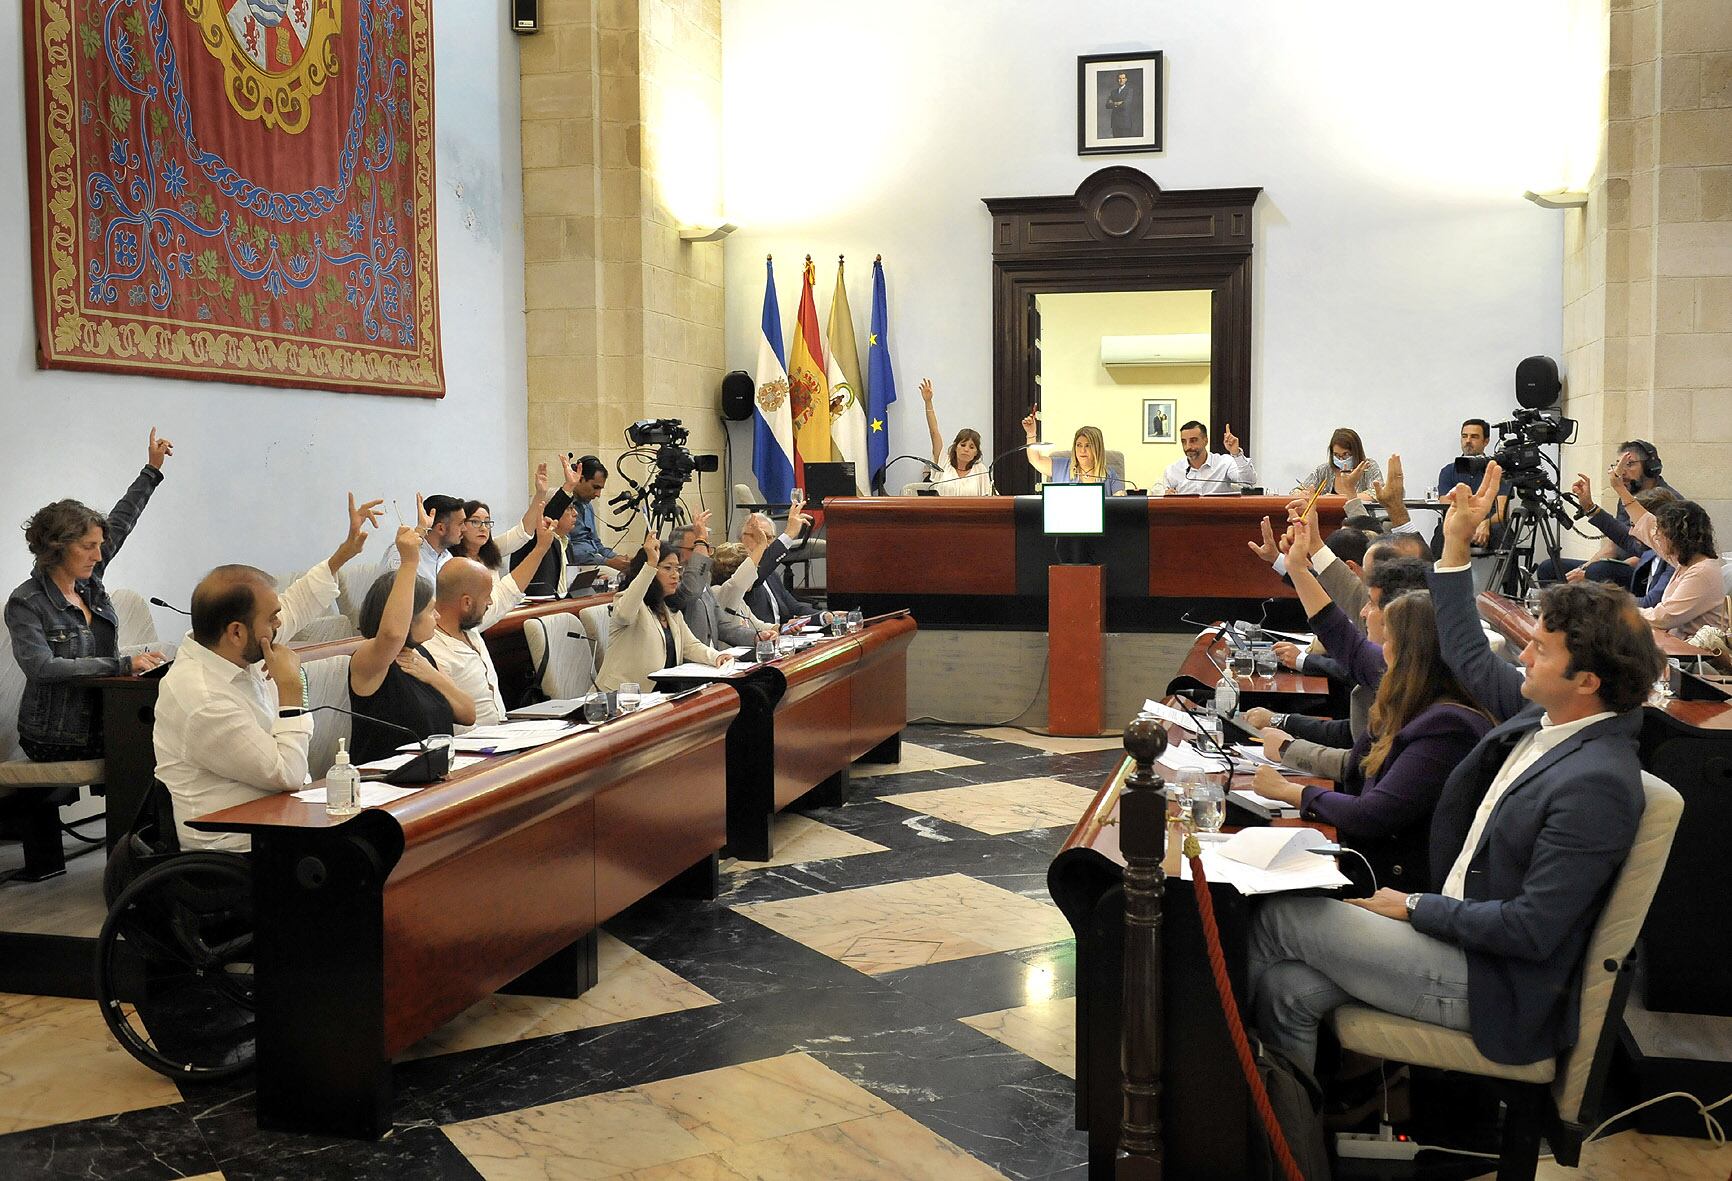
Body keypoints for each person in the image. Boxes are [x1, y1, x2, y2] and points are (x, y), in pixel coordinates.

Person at [1248, 462, 1664, 1074]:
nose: (1521, 654)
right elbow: (1465, 650)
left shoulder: (1597, 781)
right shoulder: (1543, 718)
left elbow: (1530, 931)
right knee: (1287, 988)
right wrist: (1454, 546)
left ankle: (1204, 1109)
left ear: (1588, 681)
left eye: (1540, 650)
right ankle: (1291, 1132)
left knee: (1277, 915)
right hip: (1457, 938)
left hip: (1493, 984)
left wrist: (1414, 907)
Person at [1249, 520, 1493, 891]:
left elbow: (1373, 814)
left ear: (1409, 642)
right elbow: (1339, 634)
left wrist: (1289, 790)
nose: (1363, 614)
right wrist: (1297, 568)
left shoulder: (1447, 722)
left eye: (1373, 608)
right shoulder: (1406, 685)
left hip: (1396, 886)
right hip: (1371, 864)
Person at [154, 494, 385, 851]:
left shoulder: (231, 647)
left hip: (277, 823)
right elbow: (288, 774)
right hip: (238, 850)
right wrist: (293, 694)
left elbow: (293, 605)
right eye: (271, 618)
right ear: (236, 632)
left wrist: (343, 555)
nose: (280, 624)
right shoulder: (201, 697)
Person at [7, 429, 174, 763]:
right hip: (53, 737)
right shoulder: (26, 602)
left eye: (99, 545)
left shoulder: (89, 580)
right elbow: (43, 667)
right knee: (161, 749)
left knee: (177, 739)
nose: (99, 555)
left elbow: (123, 520)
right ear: (58, 547)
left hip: (103, 724)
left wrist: (151, 470)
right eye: (88, 547)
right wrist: (124, 665)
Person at [1251, 557, 1433, 784]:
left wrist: (1289, 756)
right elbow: (1355, 734)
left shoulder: (1426, 697)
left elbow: (1367, 773)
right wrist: (1282, 721)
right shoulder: (1403, 669)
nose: (1363, 613)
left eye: (1371, 604)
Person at [347, 527, 476, 764]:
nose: (437, 616)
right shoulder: (370, 657)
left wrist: (433, 676)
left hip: (432, 775)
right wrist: (409, 563)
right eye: (429, 611)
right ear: (408, 616)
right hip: (386, 785)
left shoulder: (420, 655)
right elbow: (392, 635)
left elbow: (468, 713)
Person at [424, 519, 558, 729]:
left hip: (501, 738)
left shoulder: (470, 624)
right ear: (466, 602)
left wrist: (541, 548)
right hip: (470, 753)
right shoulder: (431, 650)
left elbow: (508, 590)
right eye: (486, 596)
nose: (490, 602)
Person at [1575, 473, 1725, 638]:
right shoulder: (1686, 560)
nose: (1656, 537)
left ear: (1677, 537)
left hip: (1691, 657)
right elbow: (1645, 524)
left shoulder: (1701, 571)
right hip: (1676, 645)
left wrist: (1612, 607)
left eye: (1661, 532)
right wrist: (1618, 488)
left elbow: (1663, 618)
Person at [596, 533, 731, 691]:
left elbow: (691, 646)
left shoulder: (669, 611)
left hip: (660, 696)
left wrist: (717, 657)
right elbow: (625, 614)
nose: (676, 575)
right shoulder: (628, 603)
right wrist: (651, 563)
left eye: (678, 569)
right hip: (623, 696)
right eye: (668, 568)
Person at [1540, 440, 1678, 586]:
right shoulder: (1629, 494)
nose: (1621, 471)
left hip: (1646, 571)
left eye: (1629, 464)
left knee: (1600, 571)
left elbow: (1653, 553)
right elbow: (1615, 543)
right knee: (1549, 568)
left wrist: (1593, 572)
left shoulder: (1666, 500)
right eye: (1618, 464)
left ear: (1651, 467)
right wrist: (1582, 569)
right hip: (1617, 565)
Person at [666, 512, 774, 649]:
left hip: (713, 661)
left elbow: (722, 625)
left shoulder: (705, 585)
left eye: (707, 548)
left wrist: (755, 637)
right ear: (676, 552)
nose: (704, 555)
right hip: (690, 664)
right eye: (697, 547)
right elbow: (692, 590)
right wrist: (701, 539)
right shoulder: (674, 585)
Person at [450, 462, 551, 575]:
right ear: (462, 525)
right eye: (475, 522)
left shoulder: (492, 549)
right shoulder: (451, 560)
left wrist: (541, 494)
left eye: (487, 522)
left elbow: (522, 532)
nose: (483, 528)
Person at [544, 454, 631, 573]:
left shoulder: (587, 506)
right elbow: (566, 550)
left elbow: (596, 544)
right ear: (580, 478)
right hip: (577, 566)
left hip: (596, 561)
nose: (598, 494)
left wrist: (618, 558)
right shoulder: (560, 505)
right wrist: (607, 562)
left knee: (630, 571)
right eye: (595, 487)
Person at [740, 512, 829, 627]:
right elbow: (755, 576)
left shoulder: (772, 575)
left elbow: (794, 607)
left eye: (769, 537)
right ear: (742, 538)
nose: (764, 543)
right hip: (757, 640)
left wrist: (825, 617)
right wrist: (789, 534)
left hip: (783, 639)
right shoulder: (737, 570)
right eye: (758, 536)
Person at [1432, 419, 1505, 552]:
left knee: (1503, 534)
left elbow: (1502, 513)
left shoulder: (1497, 471)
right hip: (1458, 522)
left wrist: (1485, 523)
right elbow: (1447, 506)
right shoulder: (1448, 471)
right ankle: (1437, 573)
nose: (1468, 441)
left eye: (1474, 437)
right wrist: (1468, 523)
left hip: (1489, 524)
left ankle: (1508, 573)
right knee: (1441, 532)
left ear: (1486, 441)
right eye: (1464, 436)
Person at [1023, 413, 1128, 493]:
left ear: (1097, 448)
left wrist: (1120, 495)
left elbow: (1118, 504)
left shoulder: (1110, 475)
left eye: (1088, 445)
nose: (1082, 450)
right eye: (1079, 445)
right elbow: (1035, 459)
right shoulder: (1061, 467)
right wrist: (1031, 433)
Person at [918, 379, 991, 495]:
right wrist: (928, 402)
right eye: (963, 445)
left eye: (971, 447)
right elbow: (934, 431)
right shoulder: (943, 462)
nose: (966, 449)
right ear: (955, 447)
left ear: (976, 453)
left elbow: (988, 500)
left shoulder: (980, 470)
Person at [511, 498, 584, 597]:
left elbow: (569, 584)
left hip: (565, 603)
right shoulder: (533, 540)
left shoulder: (566, 544)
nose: (575, 513)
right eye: (569, 508)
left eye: (574, 508)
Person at [1162, 420, 1256, 495]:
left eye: (1193, 441)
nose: (1188, 447)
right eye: (1184, 442)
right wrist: (1166, 497)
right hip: (1186, 517)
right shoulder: (1172, 470)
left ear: (1205, 441)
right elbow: (1163, 499)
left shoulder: (1224, 463)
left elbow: (1248, 482)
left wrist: (1236, 453)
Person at [382, 494, 464, 574]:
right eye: (460, 524)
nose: (465, 529)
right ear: (441, 528)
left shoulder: (448, 558)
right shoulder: (402, 551)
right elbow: (394, 584)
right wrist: (420, 529)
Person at [1295, 428, 1382, 500]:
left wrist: (1336, 499)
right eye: (1336, 455)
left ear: (1356, 452)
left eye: (1346, 454)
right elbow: (1296, 491)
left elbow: (1377, 493)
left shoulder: (1368, 466)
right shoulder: (1324, 470)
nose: (1341, 459)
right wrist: (1302, 494)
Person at [1104, 70, 1139, 137]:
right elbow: (1107, 105)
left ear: (1126, 79)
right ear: (1117, 80)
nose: (1121, 80)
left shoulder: (1129, 90)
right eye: (1119, 78)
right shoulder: (1113, 92)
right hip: (1115, 122)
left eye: (1123, 78)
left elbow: (1125, 105)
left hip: (1125, 122)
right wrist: (1118, 103)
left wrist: (1113, 103)